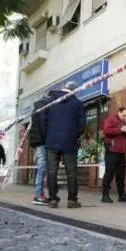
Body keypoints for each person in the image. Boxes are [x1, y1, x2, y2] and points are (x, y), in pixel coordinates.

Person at [44, 81, 86, 209]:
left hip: (52, 141)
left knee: (52, 171)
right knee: (71, 172)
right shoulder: (78, 103)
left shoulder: (51, 102)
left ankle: (52, 200)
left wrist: (49, 135)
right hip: (70, 142)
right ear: (75, 90)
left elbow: (44, 121)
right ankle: (72, 200)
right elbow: (82, 124)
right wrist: (74, 134)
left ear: (64, 89)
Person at [101, 107, 126, 203]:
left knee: (121, 175)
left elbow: (125, 138)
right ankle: (105, 195)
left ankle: (122, 195)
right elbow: (106, 131)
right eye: (123, 115)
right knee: (109, 173)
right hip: (112, 150)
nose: (125, 117)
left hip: (121, 152)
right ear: (119, 112)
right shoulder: (111, 119)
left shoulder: (123, 122)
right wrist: (120, 129)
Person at [28, 95, 50, 205]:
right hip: (43, 141)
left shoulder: (36, 108)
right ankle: (38, 195)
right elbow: (44, 126)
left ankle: (39, 194)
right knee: (42, 166)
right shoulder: (44, 108)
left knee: (41, 166)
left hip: (38, 141)